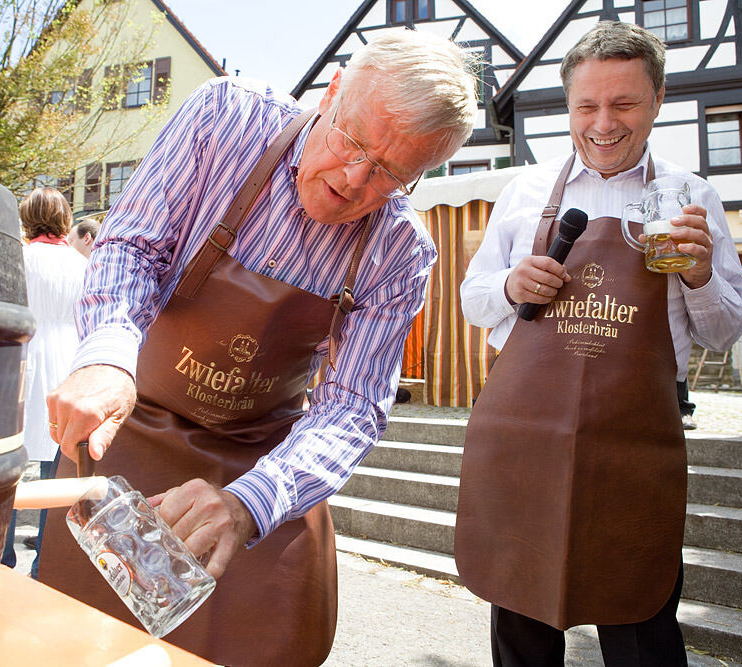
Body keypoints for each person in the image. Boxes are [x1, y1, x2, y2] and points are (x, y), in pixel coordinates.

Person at [37, 29, 478, 666]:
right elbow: (133, 246)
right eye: (352, 141)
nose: (353, 181)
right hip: (127, 431)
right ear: (332, 92)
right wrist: (107, 353)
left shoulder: (401, 253)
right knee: (82, 644)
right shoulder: (226, 119)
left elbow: (351, 407)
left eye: (390, 174)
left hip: (260, 463)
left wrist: (250, 503)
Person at [455, 21, 742, 665]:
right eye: (587, 105)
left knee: (640, 621)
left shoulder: (692, 197)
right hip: (530, 429)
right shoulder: (526, 191)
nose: (603, 123)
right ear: (568, 106)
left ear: (658, 100)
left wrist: (700, 276)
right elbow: (472, 300)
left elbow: (725, 333)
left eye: (624, 104)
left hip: (637, 433)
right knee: (524, 620)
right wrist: (510, 285)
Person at [1, 187, 87, 575]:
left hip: (20, 360)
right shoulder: (84, 264)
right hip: (68, 361)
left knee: (5, 467)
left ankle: (1, 556)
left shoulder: (15, 258)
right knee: (60, 468)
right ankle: (44, 562)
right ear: (65, 218)